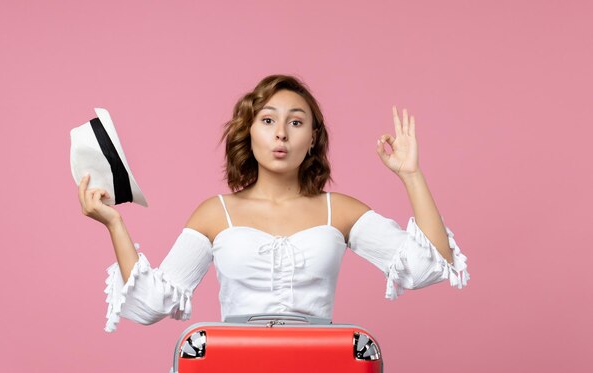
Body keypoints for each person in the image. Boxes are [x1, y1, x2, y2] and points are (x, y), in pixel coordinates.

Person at [78, 74, 469, 333]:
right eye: (267, 120)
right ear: (248, 131)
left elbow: (429, 266)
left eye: (296, 122)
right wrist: (115, 224)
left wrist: (411, 175)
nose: (281, 133)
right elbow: (150, 305)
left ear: (313, 138)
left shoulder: (342, 210)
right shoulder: (216, 213)